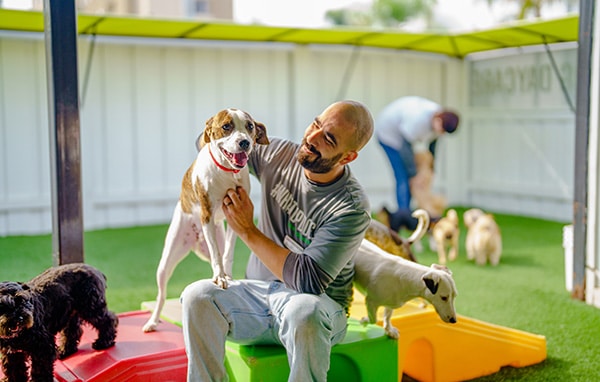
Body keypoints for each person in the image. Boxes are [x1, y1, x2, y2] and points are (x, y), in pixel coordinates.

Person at [180, 100, 374, 381]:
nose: (312, 137)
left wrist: (247, 230)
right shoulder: (279, 153)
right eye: (316, 124)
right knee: (197, 297)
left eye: (328, 139)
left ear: (347, 157)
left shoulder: (351, 207)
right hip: (255, 296)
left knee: (303, 311)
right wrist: (218, 142)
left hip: (318, 307)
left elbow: (308, 280)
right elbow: (207, 141)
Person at [374, 96, 459, 231]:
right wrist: (413, 174)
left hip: (403, 136)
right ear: (438, 120)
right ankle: (404, 216)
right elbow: (405, 147)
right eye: (442, 130)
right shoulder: (418, 120)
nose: (441, 133)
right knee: (403, 176)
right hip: (388, 135)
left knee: (414, 178)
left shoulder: (437, 122)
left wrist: (431, 168)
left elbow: (432, 146)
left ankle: (411, 217)